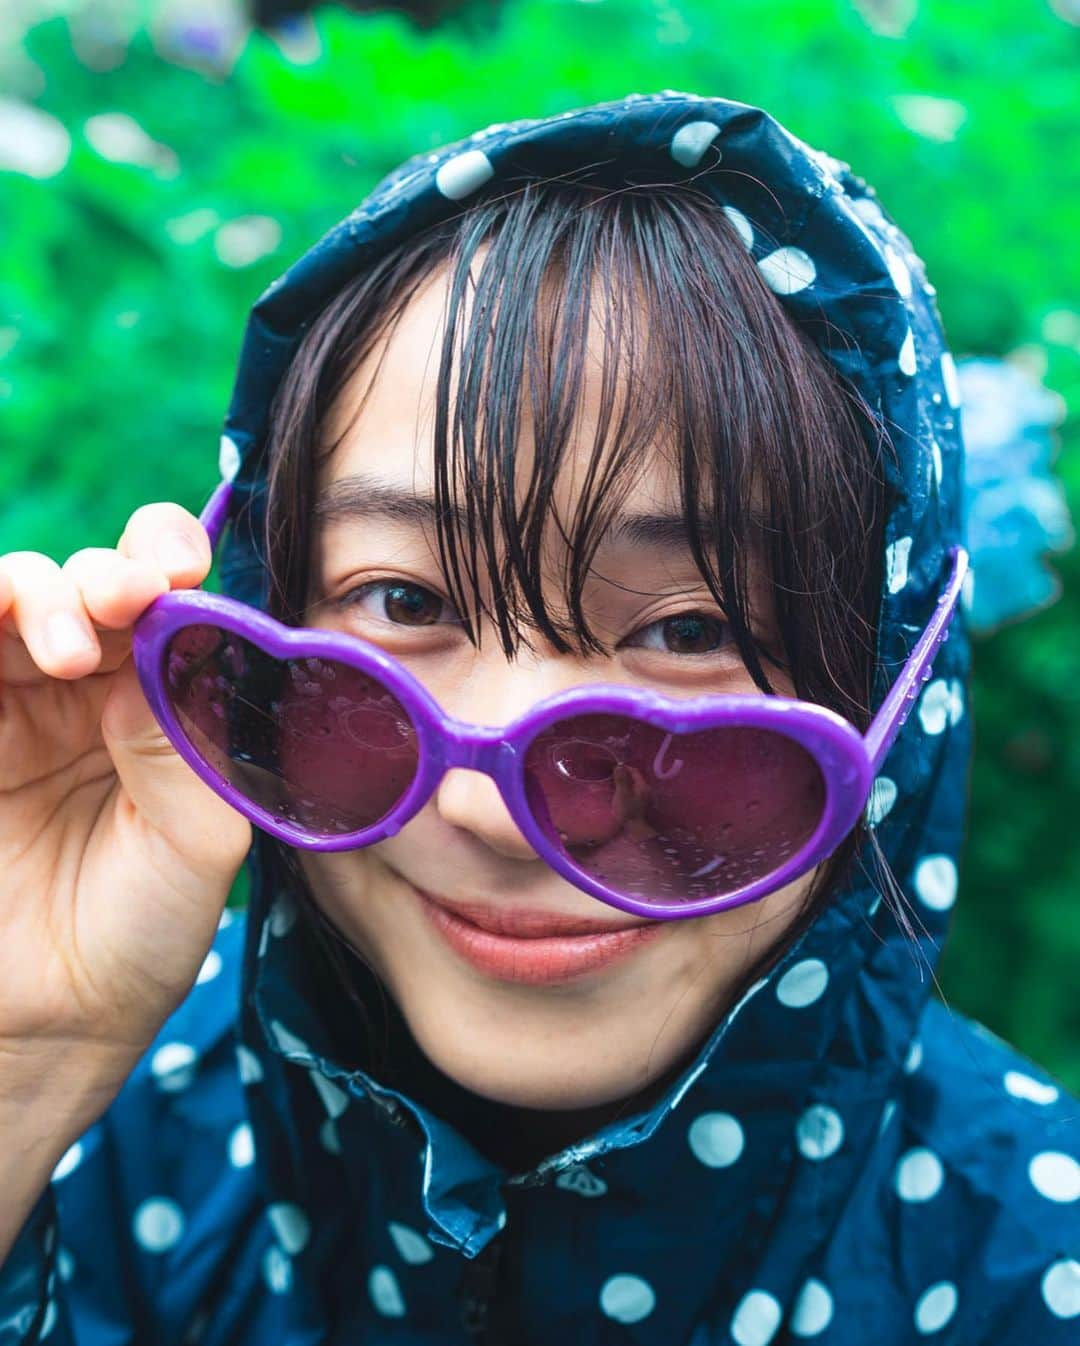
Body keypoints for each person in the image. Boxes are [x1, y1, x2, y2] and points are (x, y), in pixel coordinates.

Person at [0, 92, 1075, 1345]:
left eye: (691, 628)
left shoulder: (1033, 1272)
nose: (493, 806)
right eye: (400, 597)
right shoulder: (119, 1135)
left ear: (903, 691)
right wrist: (26, 1065)